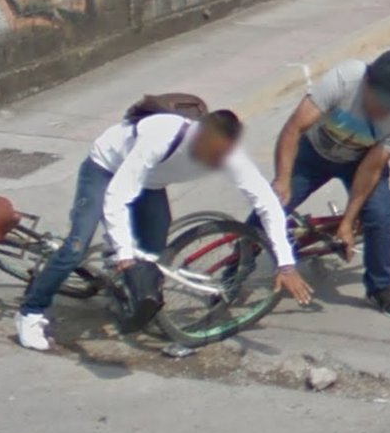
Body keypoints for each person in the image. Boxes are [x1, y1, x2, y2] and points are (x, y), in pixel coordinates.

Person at [16, 108, 313, 351]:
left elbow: (266, 203)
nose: (215, 162)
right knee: (76, 246)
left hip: (151, 184)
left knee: (153, 255)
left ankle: (128, 294)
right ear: (199, 135)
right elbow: (117, 194)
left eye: (221, 156)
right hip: (105, 169)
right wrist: (123, 250)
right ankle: (30, 312)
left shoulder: (226, 154)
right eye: (211, 153)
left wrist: (285, 263)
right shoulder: (161, 135)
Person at [251, 50, 390, 318]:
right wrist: (282, 180)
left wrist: (348, 223)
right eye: (381, 101)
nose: (384, 110)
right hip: (313, 154)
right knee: (270, 208)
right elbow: (294, 128)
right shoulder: (344, 80)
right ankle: (238, 264)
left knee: (379, 217)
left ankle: (380, 288)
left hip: (358, 163)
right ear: (367, 84)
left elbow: (370, 170)